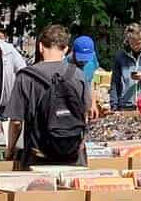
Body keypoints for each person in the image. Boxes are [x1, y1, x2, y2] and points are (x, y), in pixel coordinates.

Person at [8, 25, 92, 168]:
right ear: (66, 49)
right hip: (73, 157)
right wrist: (79, 146)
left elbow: (16, 122)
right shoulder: (79, 75)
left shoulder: (26, 77)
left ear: (40, 47)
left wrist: (10, 150)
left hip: (38, 156)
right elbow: (85, 116)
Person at [69, 34, 99, 104]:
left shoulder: (93, 58)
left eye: (87, 58)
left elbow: (91, 80)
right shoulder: (65, 65)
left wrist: (93, 102)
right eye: (81, 58)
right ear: (73, 52)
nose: (84, 61)